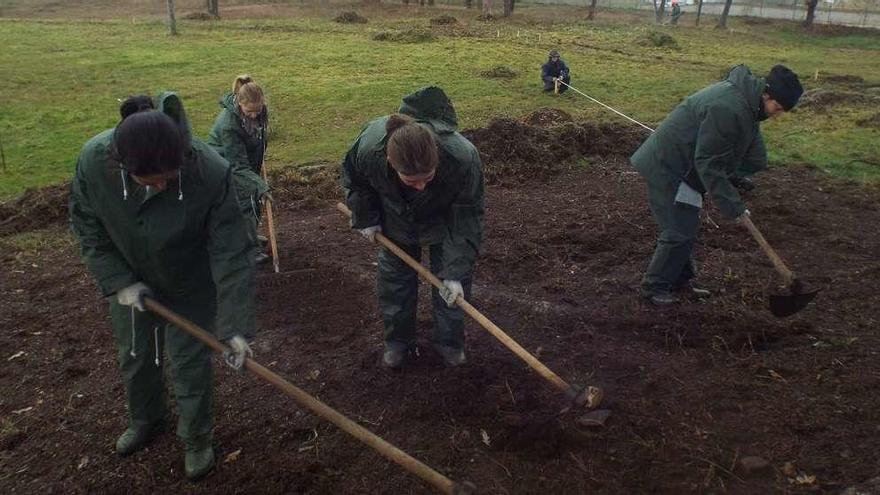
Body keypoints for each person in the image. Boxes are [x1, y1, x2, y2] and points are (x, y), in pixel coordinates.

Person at [69, 93, 256, 480]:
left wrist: (236, 327)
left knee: (189, 364)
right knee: (137, 355)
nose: (158, 185)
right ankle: (146, 420)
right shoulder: (94, 161)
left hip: (190, 283)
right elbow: (88, 226)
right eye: (147, 180)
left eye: (166, 179)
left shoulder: (210, 173)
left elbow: (231, 252)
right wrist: (120, 283)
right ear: (122, 165)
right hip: (131, 281)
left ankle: (196, 438)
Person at [631, 64, 803, 305]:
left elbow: (752, 156)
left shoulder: (748, 105)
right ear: (766, 94)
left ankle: (679, 281)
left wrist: (736, 174)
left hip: (689, 165)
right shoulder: (728, 108)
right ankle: (654, 288)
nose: (778, 114)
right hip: (670, 166)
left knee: (686, 227)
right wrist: (734, 206)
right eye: (778, 107)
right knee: (680, 229)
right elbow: (708, 163)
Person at [341, 87, 485, 369]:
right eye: (411, 180)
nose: (420, 186)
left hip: (445, 219)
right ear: (390, 163)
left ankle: (449, 343)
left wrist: (454, 273)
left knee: (451, 289)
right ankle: (398, 342)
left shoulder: (463, 158)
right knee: (395, 280)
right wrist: (366, 217)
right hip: (396, 215)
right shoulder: (370, 148)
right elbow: (356, 182)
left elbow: (467, 216)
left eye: (427, 178)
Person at [207, 75, 271, 264]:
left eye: (258, 110)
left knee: (252, 196)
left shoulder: (258, 111)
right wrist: (260, 185)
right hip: (223, 163)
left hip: (243, 160)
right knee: (245, 201)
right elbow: (237, 165)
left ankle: (248, 237)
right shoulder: (229, 125)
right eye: (250, 111)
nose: (254, 115)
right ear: (239, 104)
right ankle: (245, 248)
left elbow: (259, 133)